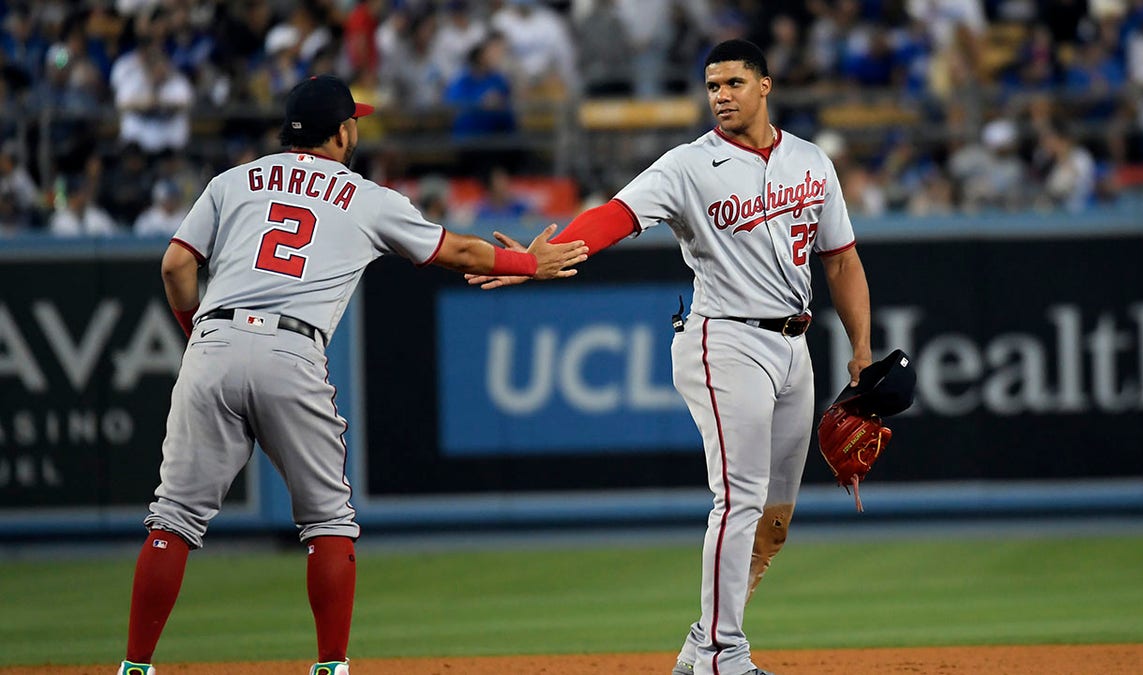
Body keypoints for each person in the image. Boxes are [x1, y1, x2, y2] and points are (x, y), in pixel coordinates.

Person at [116, 74, 587, 675]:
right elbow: (460, 253)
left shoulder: (231, 183)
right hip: (292, 347)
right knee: (328, 521)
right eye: (354, 121)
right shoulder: (364, 196)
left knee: (174, 517)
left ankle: (135, 666)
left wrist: (197, 335)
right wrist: (530, 262)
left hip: (212, 341)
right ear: (342, 132)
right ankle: (331, 667)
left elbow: (176, 265)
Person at [468, 39, 874, 675]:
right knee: (739, 498)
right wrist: (534, 260)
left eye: (734, 83)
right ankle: (721, 656)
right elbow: (615, 216)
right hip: (724, 339)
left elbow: (842, 259)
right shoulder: (689, 165)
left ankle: (696, 650)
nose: (721, 96)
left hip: (796, 348)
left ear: (765, 86)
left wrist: (862, 349)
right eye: (712, 86)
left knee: (773, 522)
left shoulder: (811, 162)